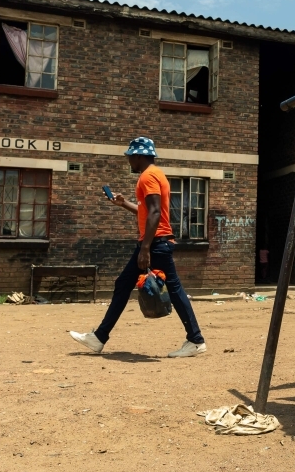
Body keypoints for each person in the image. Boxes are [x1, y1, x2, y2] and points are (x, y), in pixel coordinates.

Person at [70, 137, 206, 357]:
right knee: (126, 284)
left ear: (139, 156)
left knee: (171, 288)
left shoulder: (148, 176)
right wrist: (123, 203)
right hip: (157, 241)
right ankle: (99, 337)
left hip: (155, 243)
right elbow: (148, 211)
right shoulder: (155, 174)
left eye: (130, 157)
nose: (128, 161)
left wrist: (145, 248)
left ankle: (196, 339)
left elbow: (154, 213)